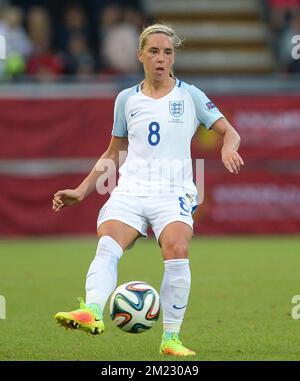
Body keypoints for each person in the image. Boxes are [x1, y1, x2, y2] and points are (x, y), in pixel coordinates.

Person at [52, 24, 244, 357]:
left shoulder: (190, 95)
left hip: (174, 192)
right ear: (140, 54)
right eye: (154, 51)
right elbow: (113, 154)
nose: (161, 58)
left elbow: (230, 132)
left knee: (176, 248)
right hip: (131, 189)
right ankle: (92, 312)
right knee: (108, 243)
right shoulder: (126, 99)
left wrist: (229, 146)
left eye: (167, 52)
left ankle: (170, 339)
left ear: (173, 57)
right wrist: (82, 191)